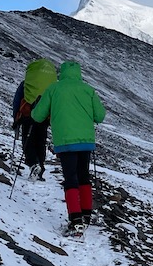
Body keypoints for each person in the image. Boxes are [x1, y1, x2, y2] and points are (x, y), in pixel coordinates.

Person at [31, 60, 106, 236]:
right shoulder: (88, 89)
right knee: (84, 176)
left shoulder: (53, 89)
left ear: (61, 73)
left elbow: (38, 116)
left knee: (70, 178)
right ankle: (86, 215)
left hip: (65, 142)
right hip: (86, 141)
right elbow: (100, 116)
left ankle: (75, 220)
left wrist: (36, 106)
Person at [12, 58, 58, 181]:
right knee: (40, 140)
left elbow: (17, 100)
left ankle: (33, 164)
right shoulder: (51, 86)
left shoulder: (26, 83)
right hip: (44, 116)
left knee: (28, 140)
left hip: (28, 114)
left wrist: (15, 118)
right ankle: (40, 169)